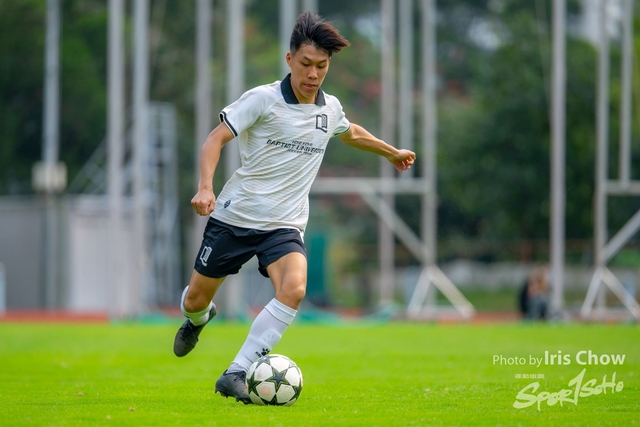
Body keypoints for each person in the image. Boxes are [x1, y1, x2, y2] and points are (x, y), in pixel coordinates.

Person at [173, 11, 416, 404]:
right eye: (306, 64)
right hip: (235, 217)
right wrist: (205, 188)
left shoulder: (329, 109)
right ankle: (198, 319)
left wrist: (391, 153)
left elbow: (350, 132)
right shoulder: (263, 99)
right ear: (290, 60)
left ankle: (236, 372)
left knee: (295, 288)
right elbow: (214, 139)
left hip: (284, 225)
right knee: (195, 301)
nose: (313, 74)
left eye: (322, 66)